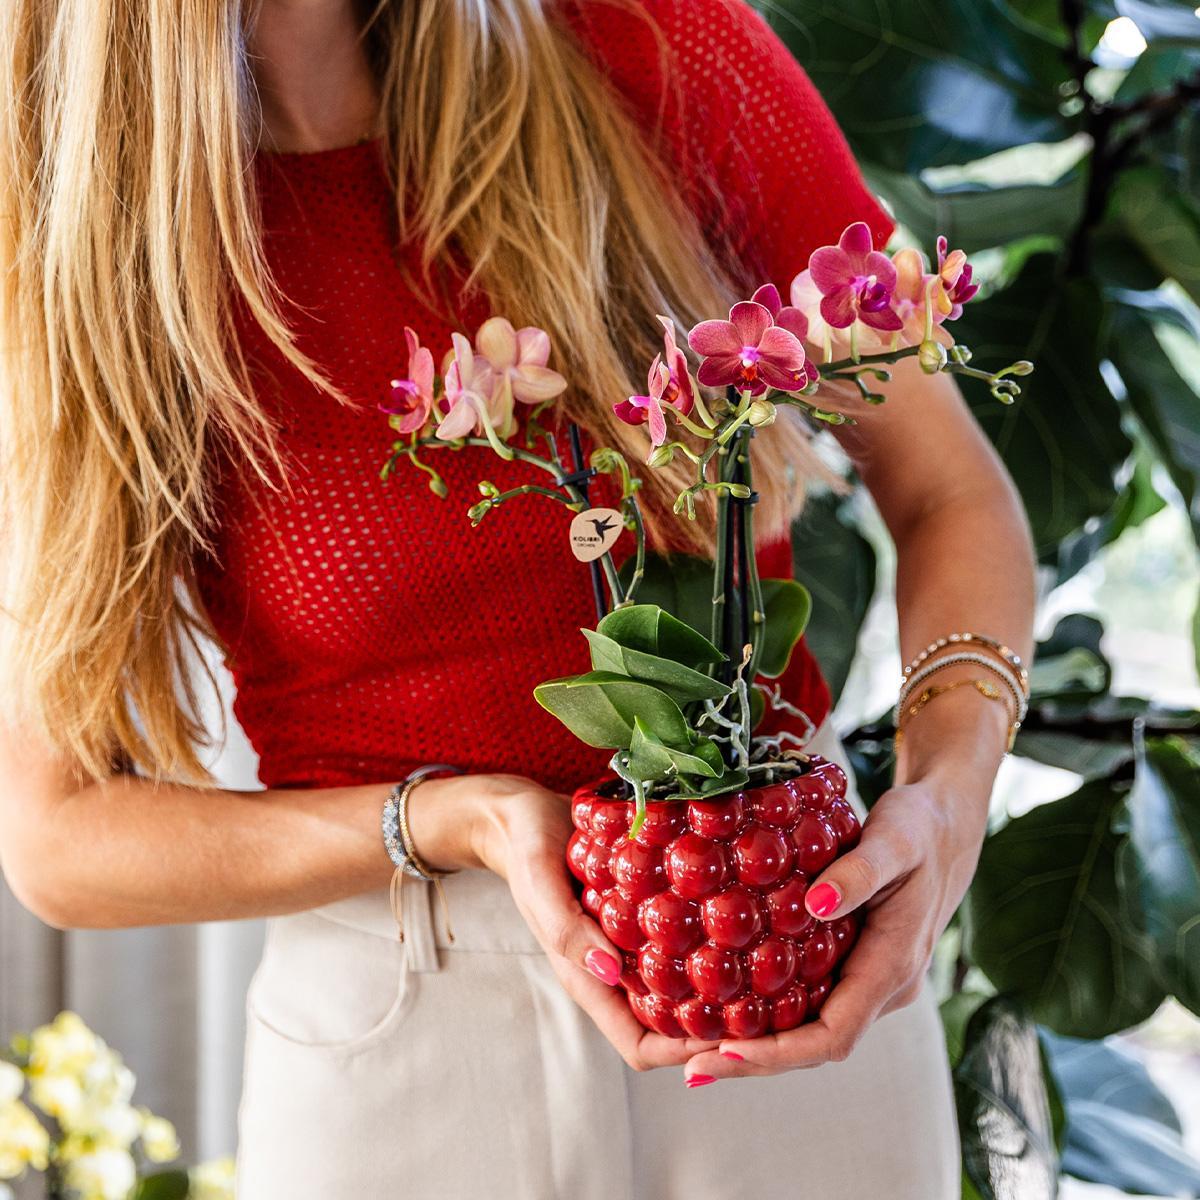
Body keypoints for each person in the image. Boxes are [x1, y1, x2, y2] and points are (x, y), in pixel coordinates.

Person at [0, 0, 1035, 1196]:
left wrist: (948, 795)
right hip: (407, 1031)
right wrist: (453, 818)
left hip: (782, 971)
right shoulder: (71, 230)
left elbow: (952, 493)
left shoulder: (659, 45)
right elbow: (57, 837)